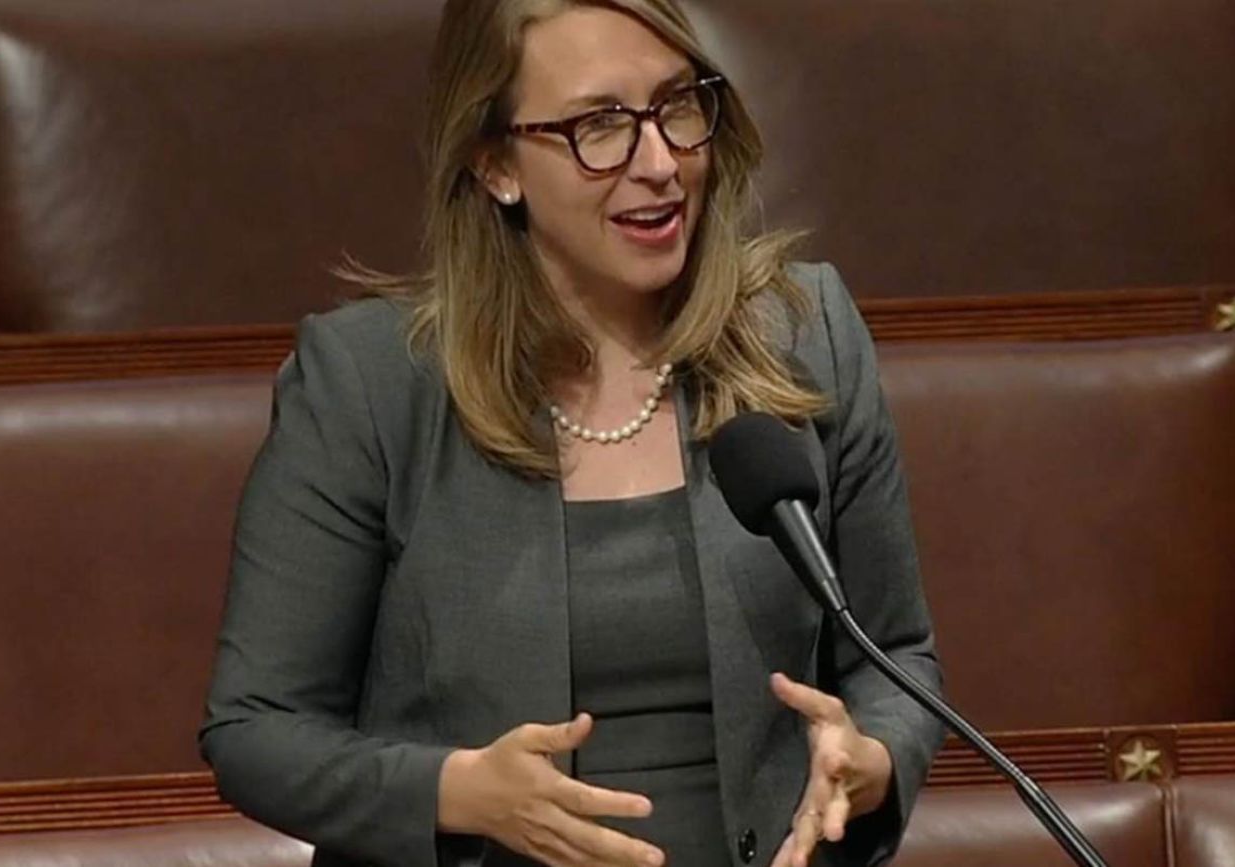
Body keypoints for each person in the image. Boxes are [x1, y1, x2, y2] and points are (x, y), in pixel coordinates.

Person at [199, 0, 944, 865]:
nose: (661, 162)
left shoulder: (807, 333)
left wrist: (874, 759)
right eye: (601, 125)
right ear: (495, 163)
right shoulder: (370, 383)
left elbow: (897, 656)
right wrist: (458, 793)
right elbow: (255, 729)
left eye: (678, 106)